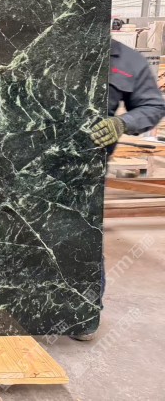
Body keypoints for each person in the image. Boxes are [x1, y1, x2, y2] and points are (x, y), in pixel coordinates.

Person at [72, 39, 165, 342]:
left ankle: (84, 313)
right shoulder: (49, 40)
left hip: (85, 170)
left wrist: (123, 123)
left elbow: (153, 105)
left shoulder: (126, 59)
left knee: (83, 237)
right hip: (29, 162)